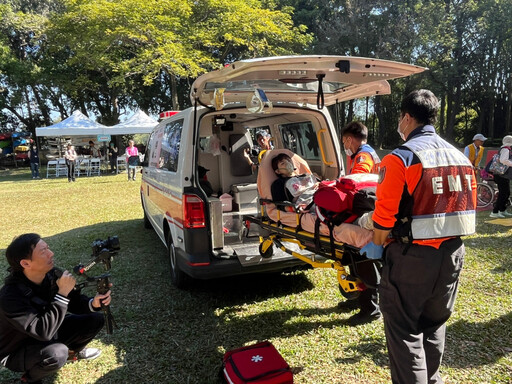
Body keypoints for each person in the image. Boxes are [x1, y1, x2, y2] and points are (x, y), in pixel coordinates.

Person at [360, 89, 476, 383]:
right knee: (434, 323)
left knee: (404, 331)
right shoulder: (459, 156)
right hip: (452, 255)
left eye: (401, 118)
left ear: (407, 117)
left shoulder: (401, 158)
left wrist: (375, 242)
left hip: (412, 260)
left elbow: (384, 217)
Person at [0, 233, 111, 384]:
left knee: (95, 319)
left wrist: (93, 303)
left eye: (48, 248)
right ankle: (29, 379)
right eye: (43, 251)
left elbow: (75, 301)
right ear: (26, 264)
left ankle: (73, 353)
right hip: (15, 350)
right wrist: (62, 294)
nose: (50, 253)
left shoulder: (51, 275)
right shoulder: (10, 297)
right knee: (57, 353)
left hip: (46, 333)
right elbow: (42, 332)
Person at [337, 121, 381, 326]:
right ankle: (359, 299)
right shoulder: (367, 153)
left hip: (366, 209)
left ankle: (370, 308)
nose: (345, 144)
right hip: (368, 206)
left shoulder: (363, 156)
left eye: (345, 140)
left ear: (349, 139)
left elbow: (359, 180)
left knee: (362, 257)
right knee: (354, 253)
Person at [489, 135, 512, 218]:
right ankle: (495, 212)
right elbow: (503, 160)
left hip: (502, 175)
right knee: (503, 193)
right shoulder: (506, 149)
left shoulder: (504, 148)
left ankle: (502, 210)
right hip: (501, 174)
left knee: (506, 193)